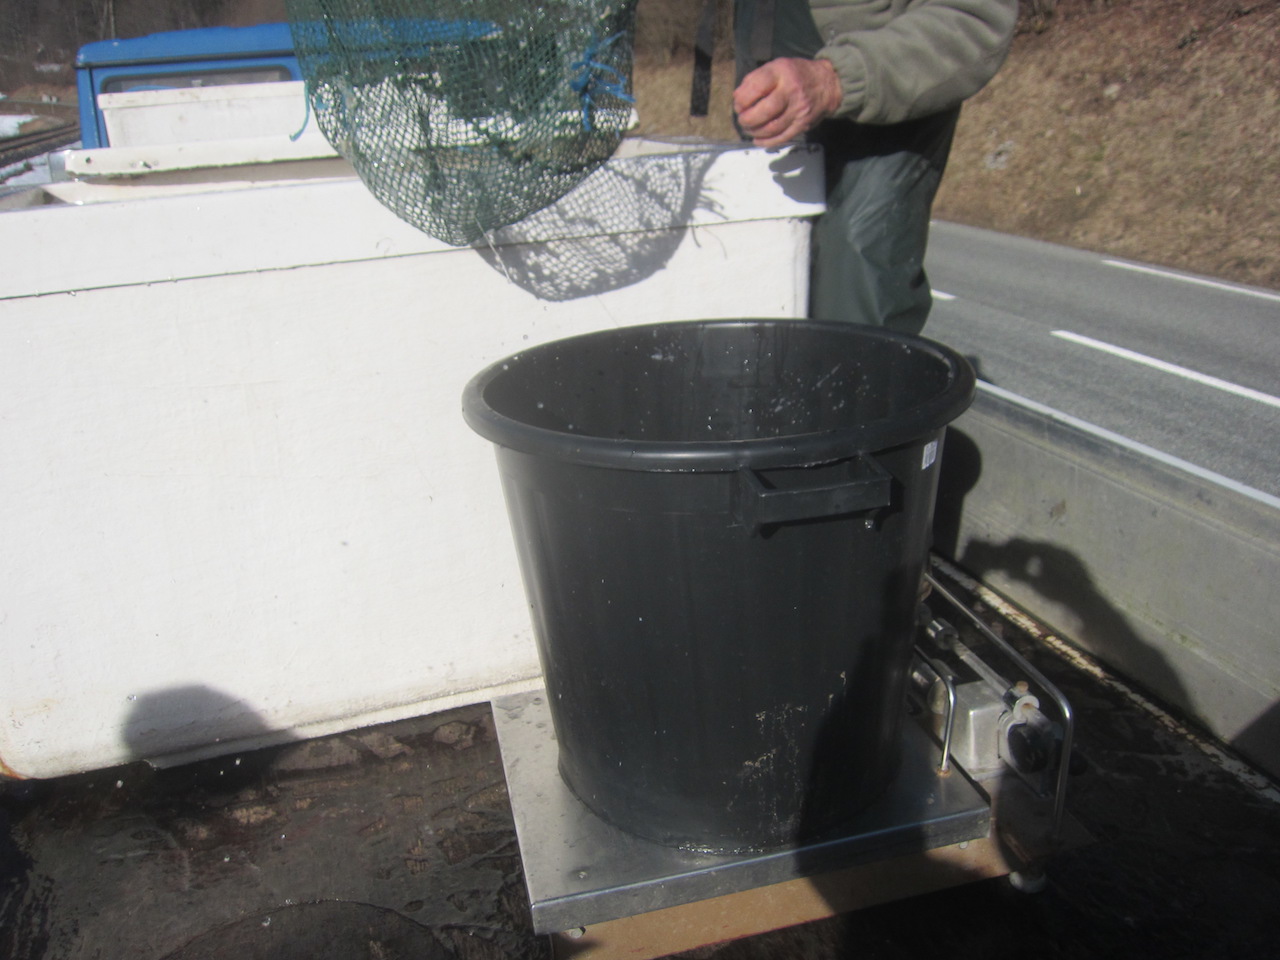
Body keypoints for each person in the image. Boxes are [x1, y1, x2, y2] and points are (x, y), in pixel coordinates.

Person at [732, 0, 1019, 334]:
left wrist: (834, 80)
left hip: (882, 86)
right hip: (771, 78)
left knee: (852, 307)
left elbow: (975, 16)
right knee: (763, 311)